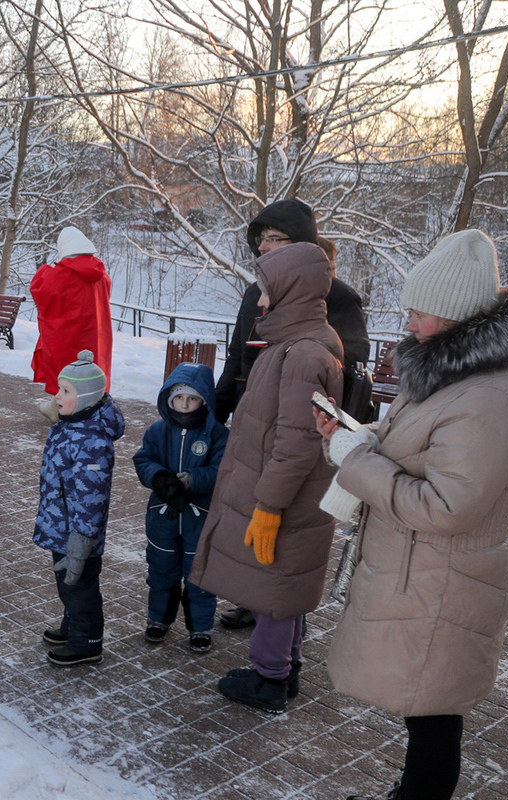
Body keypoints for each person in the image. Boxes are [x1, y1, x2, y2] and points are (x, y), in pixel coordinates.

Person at [315, 230, 508, 800]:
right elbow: (416, 446)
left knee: (434, 711)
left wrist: (358, 459)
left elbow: (446, 505)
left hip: (444, 577)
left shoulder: (494, 397)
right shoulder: (454, 373)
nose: (410, 323)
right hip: (426, 572)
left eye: (420, 312)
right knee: (428, 708)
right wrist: (358, 436)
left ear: (456, 317)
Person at [188, 240, 344, 714]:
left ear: (291, 291)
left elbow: (296, 444)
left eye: (266, 291)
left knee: (274, 586)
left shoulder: (302, 354)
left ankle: (269, 678)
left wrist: (269, 506)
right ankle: (285, 667)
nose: (259, 301)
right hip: (290, 493)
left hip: (283, 497)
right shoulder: (298, 345)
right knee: (285, 584)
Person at [213, 199, 369, 631]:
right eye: (260, 240)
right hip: (254, 425)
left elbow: (348, 376)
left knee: (284, 529)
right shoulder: (256, 292)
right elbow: (237, 360)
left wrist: (333, 439)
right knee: (253, 522)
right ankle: (253, 600)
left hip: (300, 437)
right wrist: (213, 415)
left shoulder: (335, 298)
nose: (264, 248)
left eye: (275, 239)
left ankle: (279, 640)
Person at [35, 351, 125, 667]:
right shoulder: (73, 423)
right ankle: (72, 627)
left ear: (86, 398)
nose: (57, 396)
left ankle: (87, 642)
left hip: (77, 532)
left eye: (66, 391)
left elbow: (91, 499)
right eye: (58, 389)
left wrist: (81, 541)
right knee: (70, 586)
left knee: (80, 587)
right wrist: (57, 410)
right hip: (62, 525)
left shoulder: (92, 441)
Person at [132, 363, 229, 652]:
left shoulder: (217, 434)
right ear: (168, 398)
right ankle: (159, 619)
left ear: (204, 401)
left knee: (200, 574)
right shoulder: (158, 431)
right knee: (161, 570)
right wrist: (160, 479)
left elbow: (222, 470)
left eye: (192, 398)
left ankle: (200, 626)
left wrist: (190, 481)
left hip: (201, 517)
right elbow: (144, 459)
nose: (184, 405)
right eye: (178, 398)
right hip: (162, 515)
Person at [30, 227, 113, 421]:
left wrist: (44, 269)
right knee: (92, 371)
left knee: (66, 369)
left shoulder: (59, 274)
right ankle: (88, 410)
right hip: (96, 334)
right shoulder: (101, 274)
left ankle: (60, 411)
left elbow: (40, 290)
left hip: (67, 333)